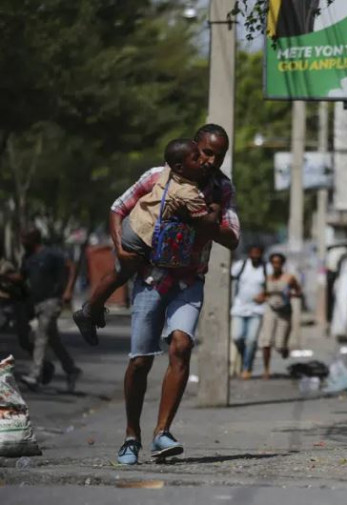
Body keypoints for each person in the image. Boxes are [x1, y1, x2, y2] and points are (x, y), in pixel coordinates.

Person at [108, 124, 239, 465]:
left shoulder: (221, 189)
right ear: (193, 149)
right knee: (140, 361)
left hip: (189, 279)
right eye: (206, 153)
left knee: (181, 346)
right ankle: (131, 435)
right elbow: (117, 208)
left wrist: (202, 221)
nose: (211, 160)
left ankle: (162, 433)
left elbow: (232, 236)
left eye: (218, 156)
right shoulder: (157, 176)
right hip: (152, 278)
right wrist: (121, 249)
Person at [72, 139, 222, 345]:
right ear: (180, 166)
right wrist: (216, 205)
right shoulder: (188, 192)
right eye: (199, 157)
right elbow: (208, 222)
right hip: (140, 238)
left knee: (119, 274)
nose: (205, 162)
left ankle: (92, 310)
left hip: (133, 225)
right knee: (123, 271)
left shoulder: (167, 174)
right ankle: (89, 312)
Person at [14, 229, 82, 392]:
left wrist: (68, 290)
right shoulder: (28, 257)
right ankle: (71, 369)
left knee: (41, 335)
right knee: (53, 340)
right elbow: (21, 278)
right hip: (36, 302)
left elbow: (71, 267)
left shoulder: (51, 254)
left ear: (34, 239)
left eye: (24, 239)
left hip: (52, 301)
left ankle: (34, 375)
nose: (22, 242)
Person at [256, 253, 301, 379]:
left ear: (282, 264)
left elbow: (298, 291)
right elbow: (264, 293)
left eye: (278, 263)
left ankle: (284, 348)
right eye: (273, 263)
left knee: (279, 345)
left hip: (284, 312)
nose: (276, 265)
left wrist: (294, 294)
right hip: (270, 309)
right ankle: (266, 369)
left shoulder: (289, 278)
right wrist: (260, 298)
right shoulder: (268, 278)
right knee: (266, 340)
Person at [230, 244, 267, 379]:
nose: (256, 256)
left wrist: (265, 295)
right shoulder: (241, 265)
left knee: (251, 340)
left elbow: (272, 285)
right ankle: (245, 354)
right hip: (239, 308)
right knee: (237, 337)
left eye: (258, 253)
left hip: (256, 310)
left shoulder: (265, 268)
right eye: (253, 253)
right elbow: (229, 278)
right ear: (250, 253)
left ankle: (247, 367)